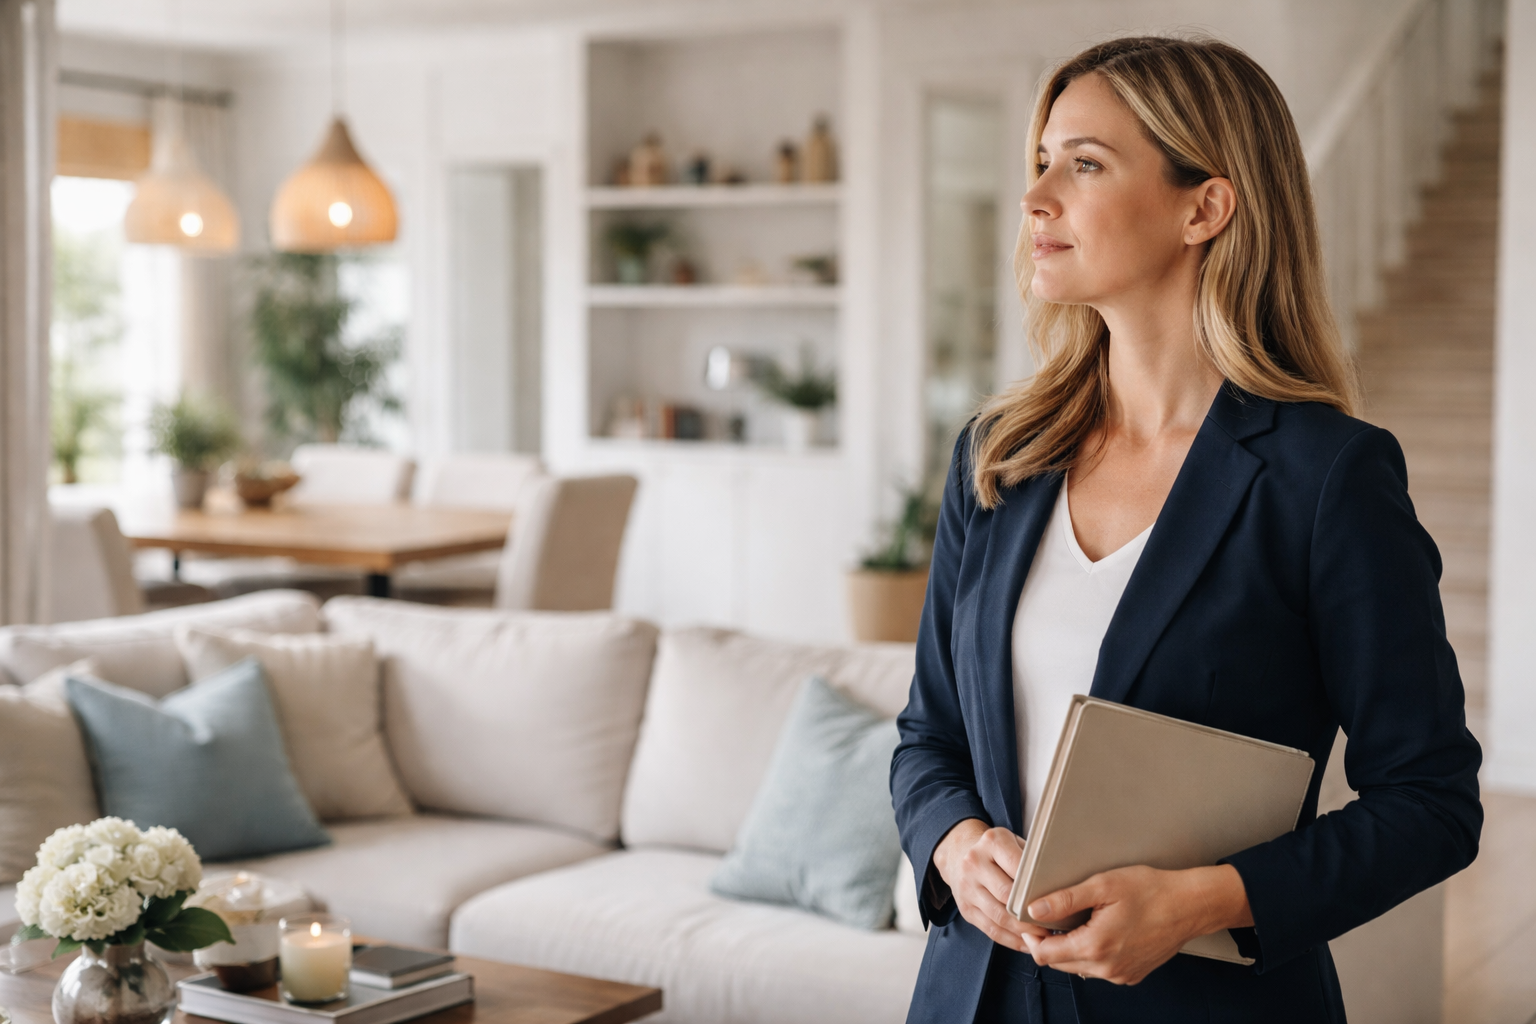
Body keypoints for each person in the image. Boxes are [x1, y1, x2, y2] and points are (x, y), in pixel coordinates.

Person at [890, 35, 1482, 1023]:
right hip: (973, 997)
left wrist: (1205, 899)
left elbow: (1431, 801)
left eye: (1083, 164)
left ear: (1203, 206)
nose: (1036, 199)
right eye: (1040, 162)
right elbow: (927, 737)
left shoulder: (1328, 477)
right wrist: (951, 840)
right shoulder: (997, 457)